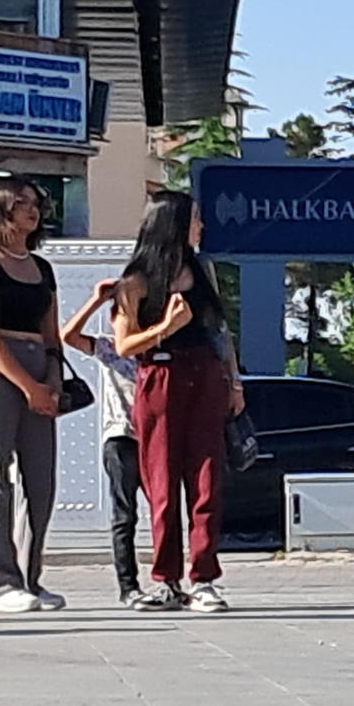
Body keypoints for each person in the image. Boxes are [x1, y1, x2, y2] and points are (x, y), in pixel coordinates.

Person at [112, 191, 243, 611]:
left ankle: (204, 577)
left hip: (205, 374)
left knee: (206, 480)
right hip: (160, 376)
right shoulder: (135, 281)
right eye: (194, 219)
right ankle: (167, 578)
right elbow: (124, 344)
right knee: (161, 482)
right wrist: (165, 328)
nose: (201, 226)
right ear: (173, 223)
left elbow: (220, 331)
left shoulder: (202, 269)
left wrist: (234, 383)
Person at [0, 181, 66, 615]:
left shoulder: (42, 267)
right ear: (1, 210)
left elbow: (52, 334)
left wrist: (52, 379)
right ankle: (0, 582)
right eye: (21, 204)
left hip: (39, 366)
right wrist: (27, 385)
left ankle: (30, 576)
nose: (31, 211)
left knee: (41, 483)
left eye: (35, 204)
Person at [63, 277, 149, 608]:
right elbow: (68, 336)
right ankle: (129, 586)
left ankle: (169, 581)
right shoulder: (109, 348)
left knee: (163, 510)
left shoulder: (155, 346)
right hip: (121, 436)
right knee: (124, 514)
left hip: (154, 438)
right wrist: (96, 301)